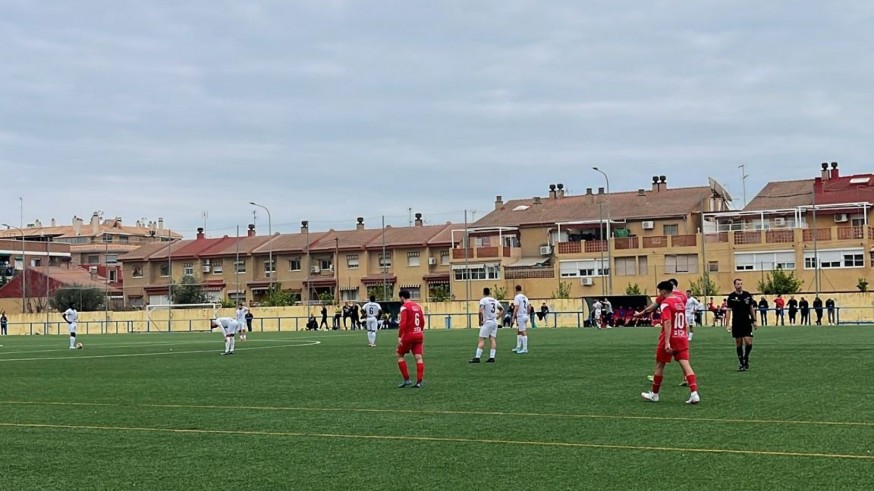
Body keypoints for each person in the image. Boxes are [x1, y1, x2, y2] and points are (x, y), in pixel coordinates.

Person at [641, 280, 700, 404]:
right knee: (686, 365)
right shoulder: (680, 302)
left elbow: (667, 322)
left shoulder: (665, 303)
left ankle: (654, 394)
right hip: (682, 336)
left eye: (660, 292)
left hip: (670, 337)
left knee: (660, 364)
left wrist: (667, 342)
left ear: (663, 291)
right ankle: (694, 393)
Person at [725, 278, 756, 371]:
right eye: (738, 284)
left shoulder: (747, 295)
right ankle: (742, 363)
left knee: (749, 342)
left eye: (741, 284)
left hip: (746, 321)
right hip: (736, 322)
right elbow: (728, 311)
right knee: (739, 343)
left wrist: (754, 320)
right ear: (734, 285)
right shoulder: (731, 297)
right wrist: (728, 324)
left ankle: (745, 357)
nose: (740, 285)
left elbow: (751, 308)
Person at [396, 289, 425, 388]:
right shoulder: (417, 306)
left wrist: (400, 336)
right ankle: (419, 382)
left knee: (399, 355)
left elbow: (403, 322)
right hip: (419, 334)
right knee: (418, 357)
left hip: (409, 335)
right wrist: (420, 330)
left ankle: (407, 380)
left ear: (402, 297)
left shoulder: (404, 307)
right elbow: (422, 321)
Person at [470, 287, 503, 363]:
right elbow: (502, 310)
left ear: (483, 293)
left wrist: (480, 321)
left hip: (487, 322)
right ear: (490, 293)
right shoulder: (495, 300)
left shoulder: (483, 300)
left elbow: (480, 311)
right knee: (492, 339)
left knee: (482, 339)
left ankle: (477, 357)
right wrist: (497, 317)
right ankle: (492, 357)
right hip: (494, 322)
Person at [512, 285, 531, 353]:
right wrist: (526, 314)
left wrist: (513, 317)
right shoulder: (525, 297)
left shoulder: (517, 297)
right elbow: (529, 307)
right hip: (525, 315)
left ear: (516, 290)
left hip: (520, 316)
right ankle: (518, 347)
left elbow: (516, 307)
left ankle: (525, 348)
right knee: (519, 331)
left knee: (523, 331)